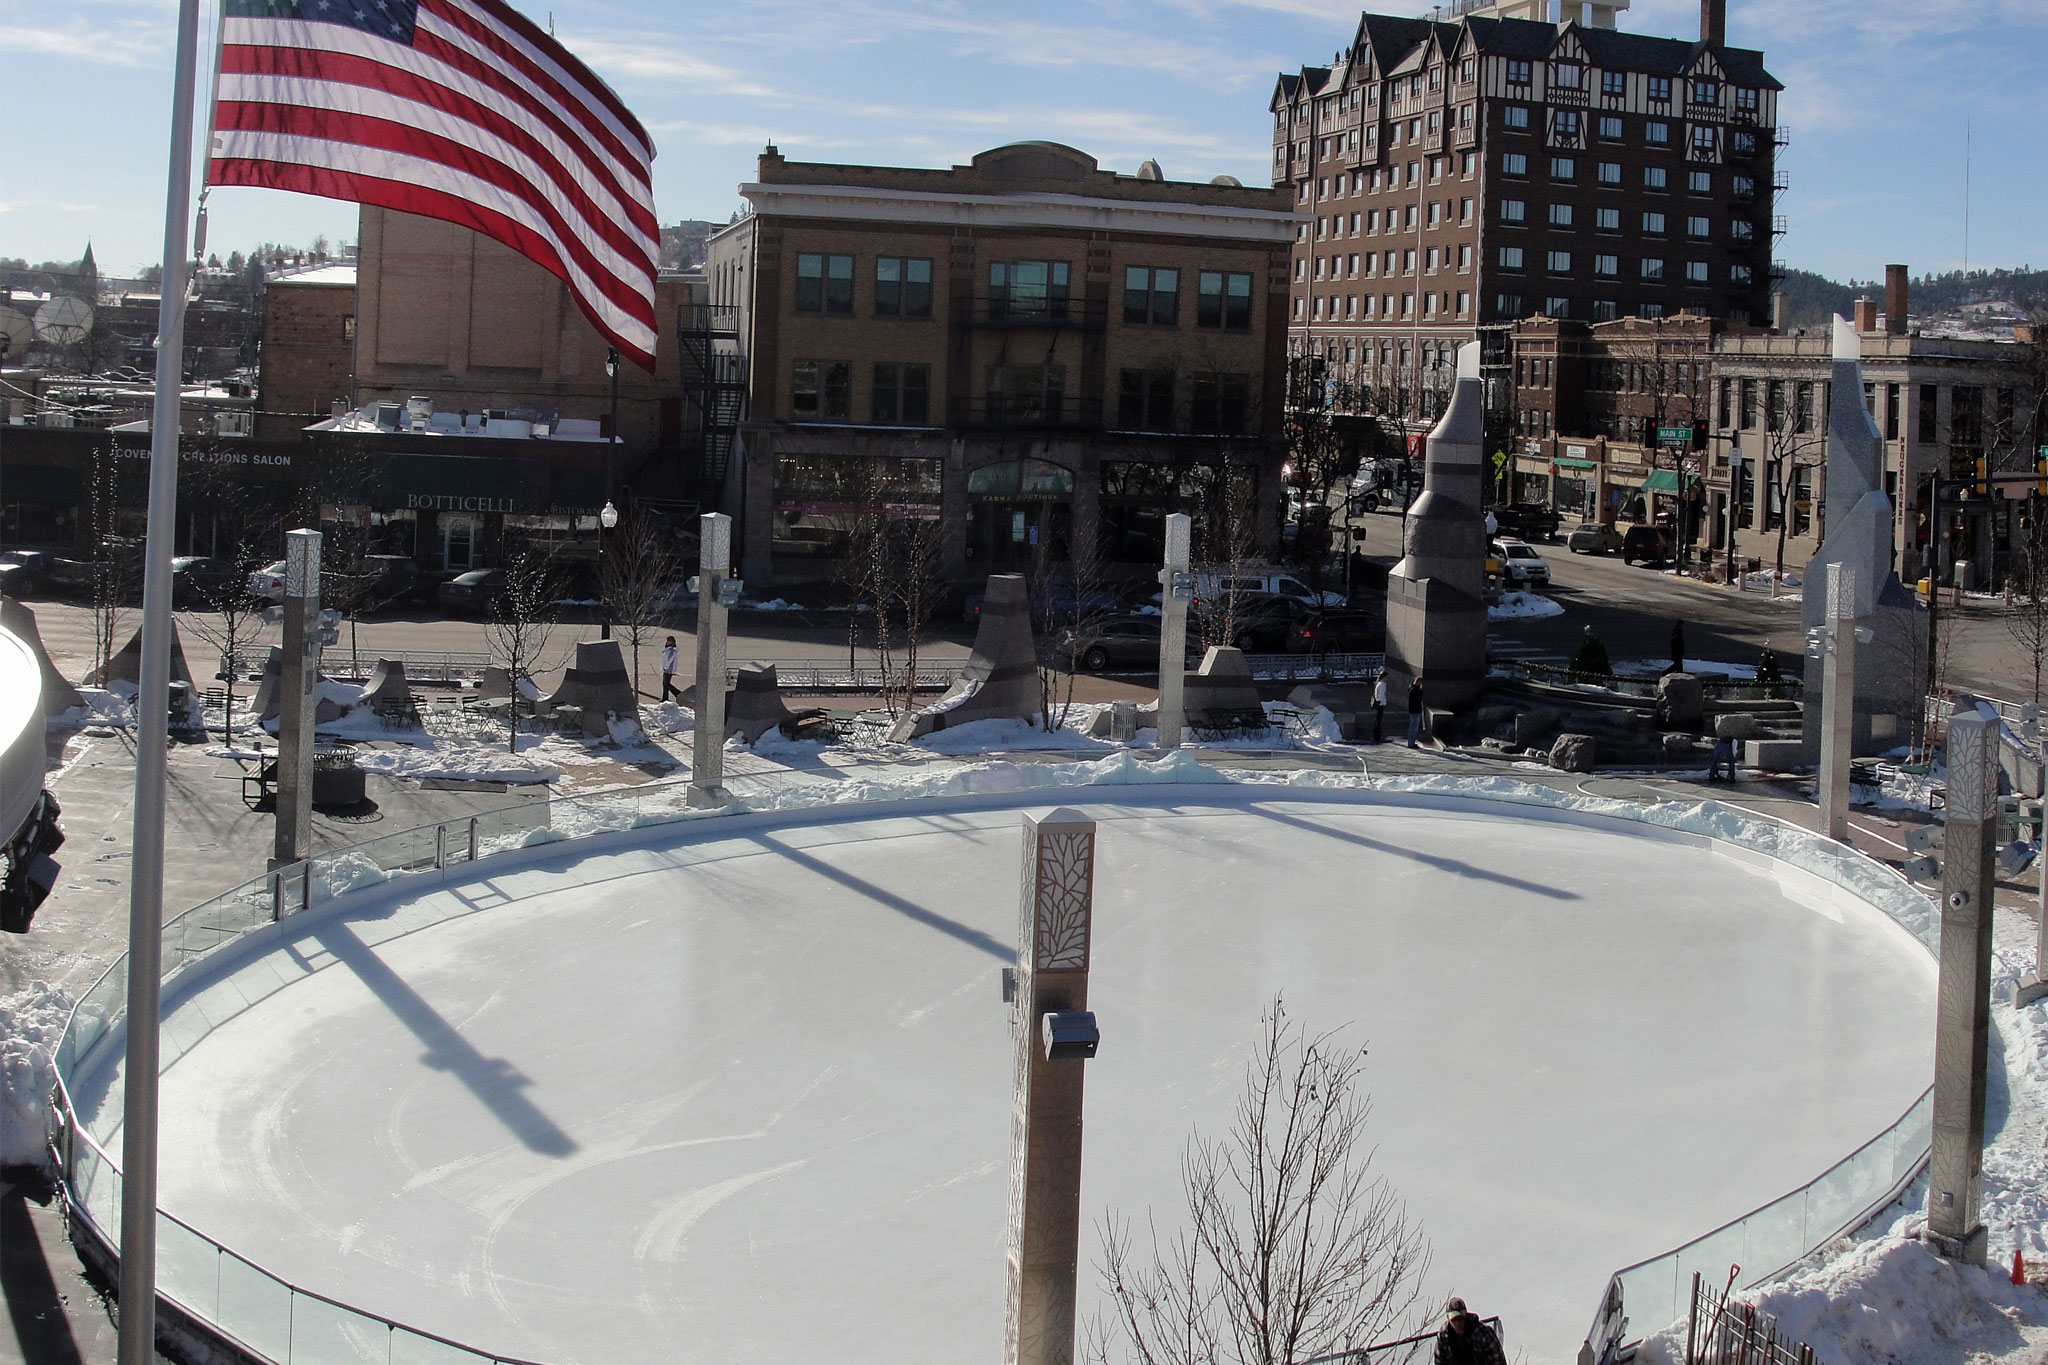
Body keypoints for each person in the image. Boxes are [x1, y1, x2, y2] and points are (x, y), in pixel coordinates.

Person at [1434, 1296, 1506, 1365]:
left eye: (1461, 1318)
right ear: (1448, 1318)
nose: (1457, 1322)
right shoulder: (1443, 1337)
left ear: (1466, 1315)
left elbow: (1498, 1361)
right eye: (1453, 1319)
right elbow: (1439, 1362)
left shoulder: (1484, 1334)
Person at [659, 635, 682, 702]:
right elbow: (664, 653)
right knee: (665, 684)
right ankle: (665, 698)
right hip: (666, 669)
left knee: (667, 684)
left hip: (668, 669)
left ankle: (678, 693)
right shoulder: (669, 649)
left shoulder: (672, 650)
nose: (667, 642)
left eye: (668, 641)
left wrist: (665, 668)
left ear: (672, 642)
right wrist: (665, 647)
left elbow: (669, 660)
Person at [1406, 673, 1425, 749]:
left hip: (1413, 710)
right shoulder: (1415, 690)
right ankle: (1411, 743)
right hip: (1415, 710)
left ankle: (1411, 742)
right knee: (1413, 727)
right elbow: (1419, 699)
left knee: (1413, 727)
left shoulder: (1412, 689)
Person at [1372, 671, 1389, 744]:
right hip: (1380, 704)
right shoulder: (1382, 685)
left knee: (1377, 720)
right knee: (1378, 721)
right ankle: (1377, 737)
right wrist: (1384, 703)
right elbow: (1381, 695)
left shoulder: (1379, 683)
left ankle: (1376, 736)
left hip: (1378, 703)